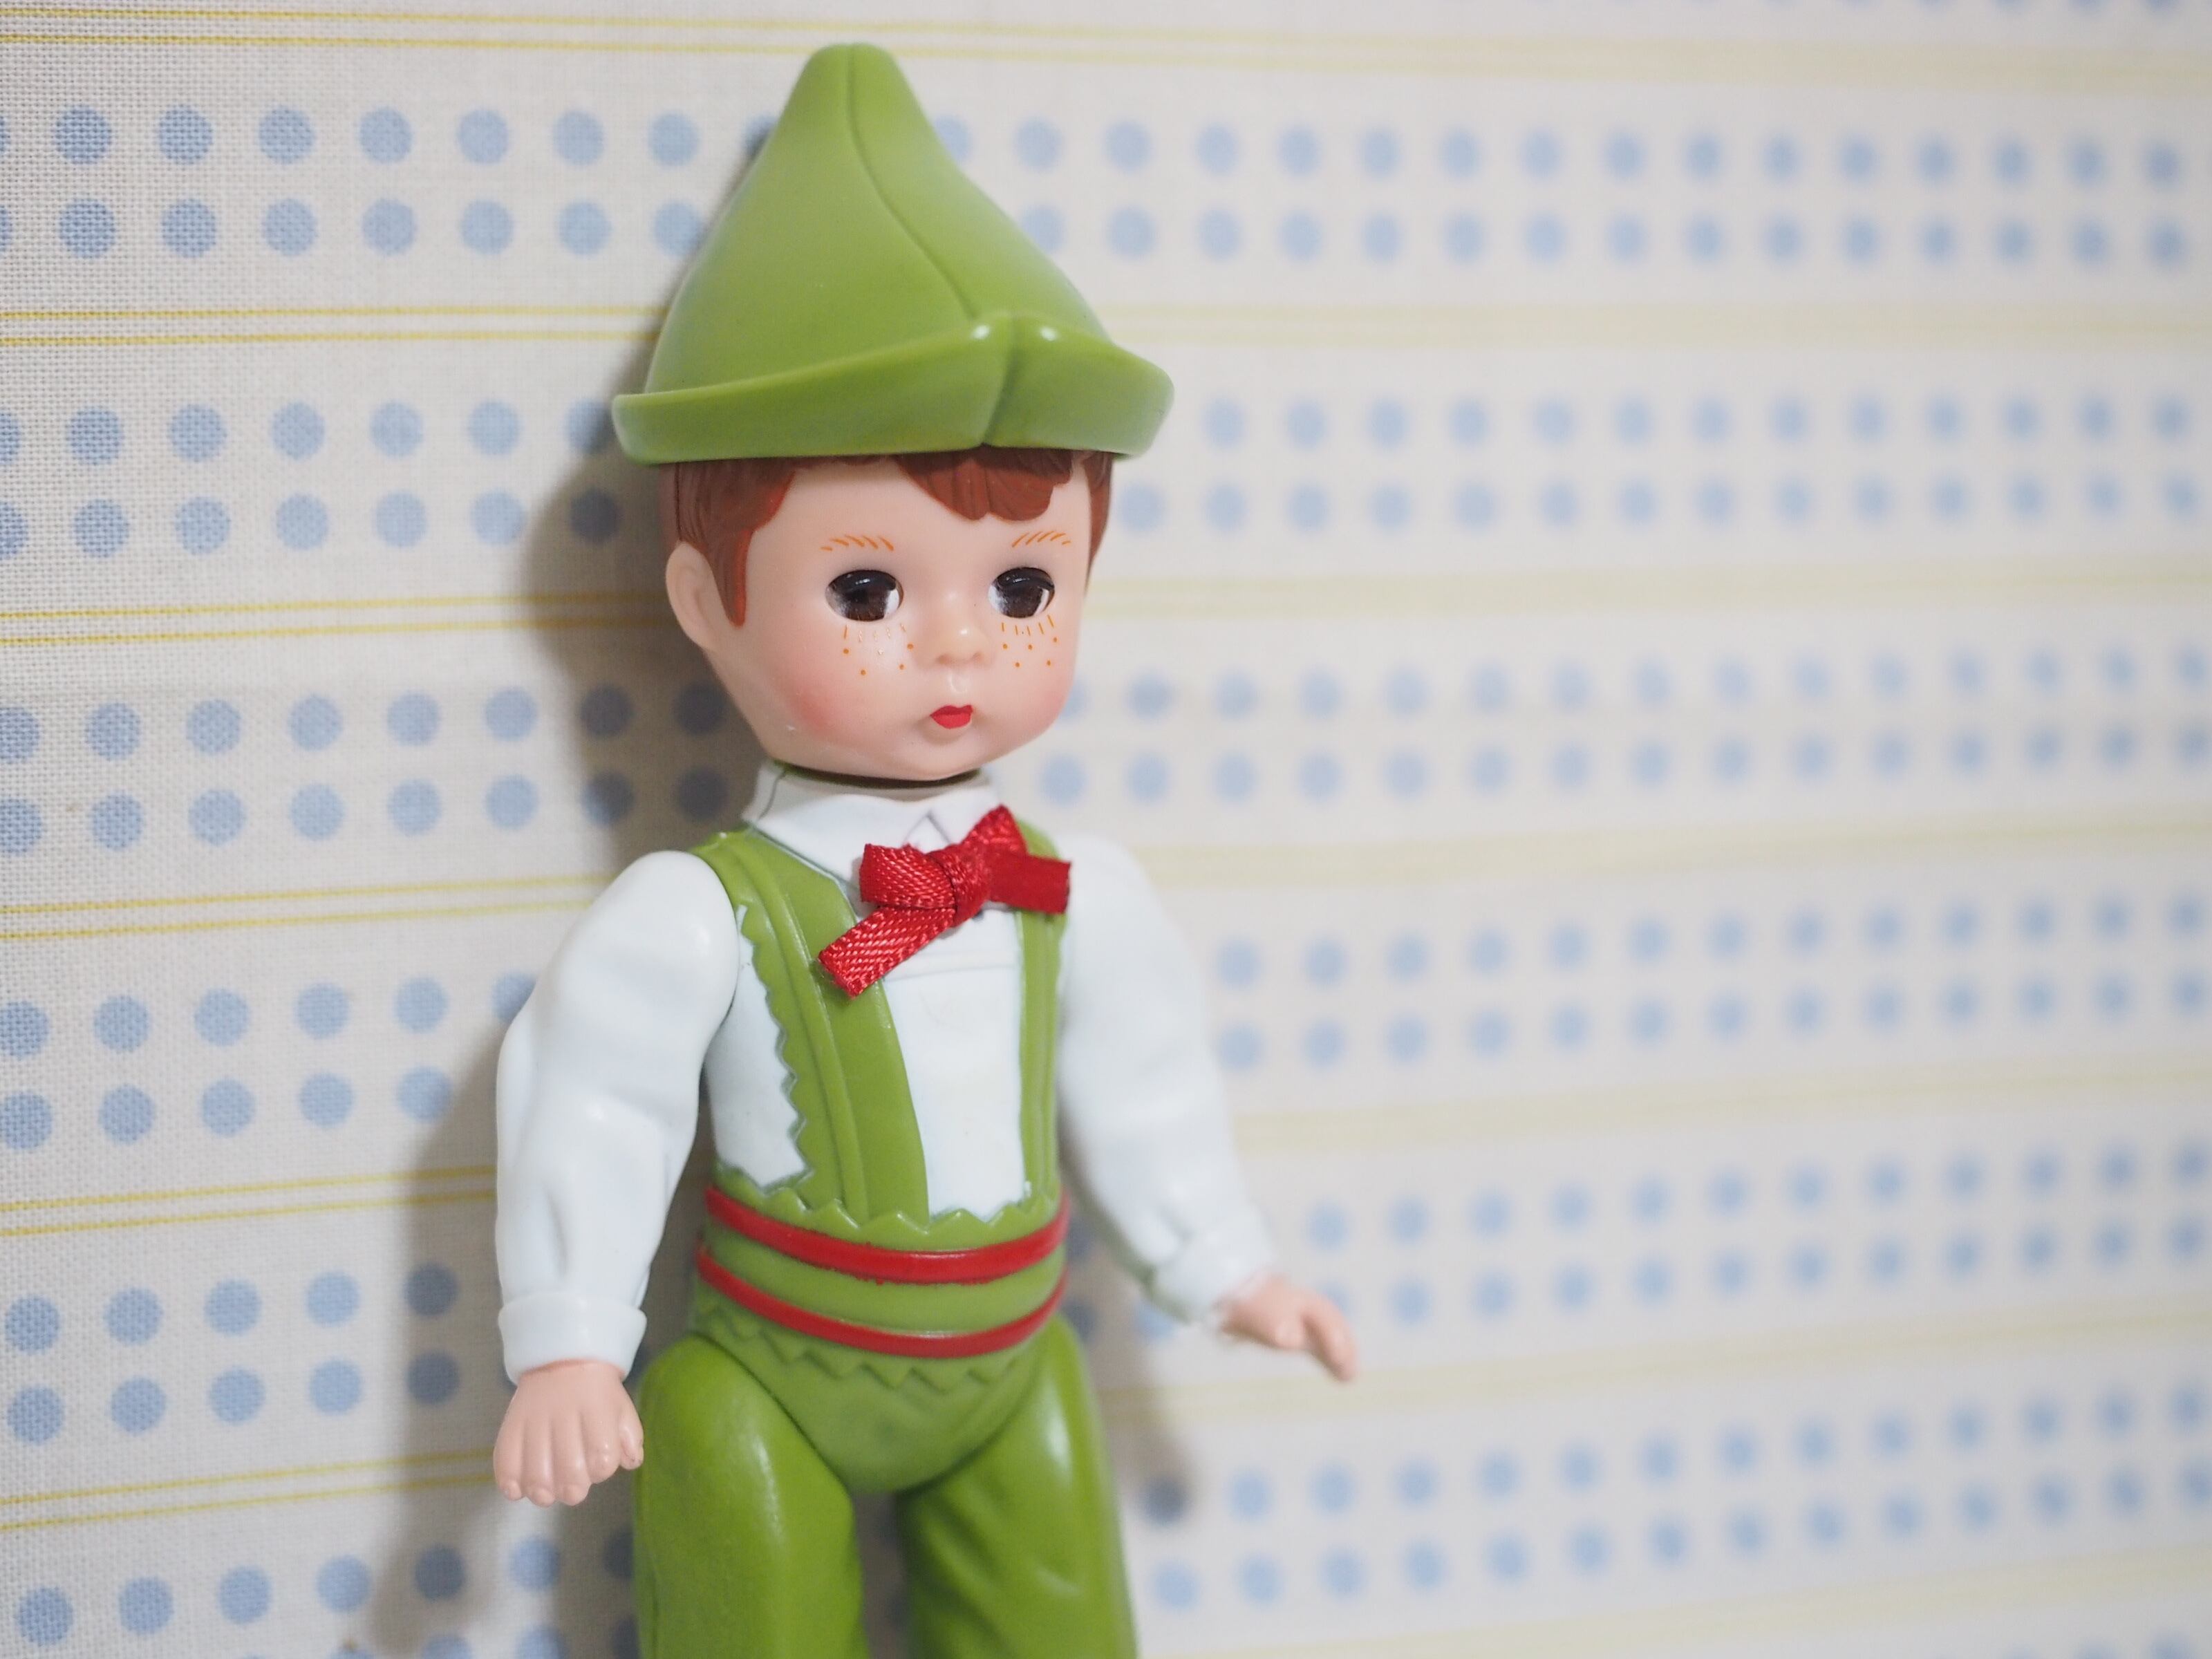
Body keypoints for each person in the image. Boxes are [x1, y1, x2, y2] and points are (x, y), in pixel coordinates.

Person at [489, 43, 1354, 1659]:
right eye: (868, 592)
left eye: (1021, 588)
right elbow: (593, 1104)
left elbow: (1148, 1086)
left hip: (1011, 1363)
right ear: (706, 603)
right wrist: (567, 1339)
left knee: (1060, 1629)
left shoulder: (1071, 892)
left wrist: (1225, 1266)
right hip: (773, 1377)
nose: (957, 646)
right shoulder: (699, 915)